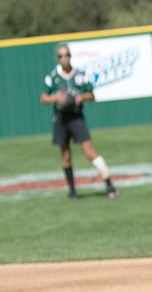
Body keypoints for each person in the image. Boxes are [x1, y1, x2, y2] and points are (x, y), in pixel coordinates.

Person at [40, 43, 119, 201]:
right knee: (66, 156)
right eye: (61, 56)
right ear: (57, 58)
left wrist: (79, 97)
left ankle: (109, 184)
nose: (64, 58)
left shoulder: (80, 75)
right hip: (61, 118)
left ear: (70, 56)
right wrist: (56, 98)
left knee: (89, 151)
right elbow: (43, 97)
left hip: (76, 117)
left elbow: (91, 94)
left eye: (67, 55)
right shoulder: (53, 77)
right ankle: (73, 191)